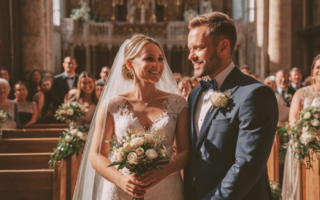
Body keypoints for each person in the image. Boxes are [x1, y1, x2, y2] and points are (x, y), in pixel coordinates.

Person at [73, 35, 190, 200]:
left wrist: (161, 173)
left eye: (160, 59)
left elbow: (184, 152)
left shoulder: (178, 104)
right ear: (129, 63)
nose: (157, 65)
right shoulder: (112, 105)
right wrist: (121, 179)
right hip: (122, 188)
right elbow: (97, 154)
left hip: (165, 186)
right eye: (149, 58)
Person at [185, 12, 278, 200]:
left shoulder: (255, 94)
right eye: (189, 49)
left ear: (223, 46)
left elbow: (247, 165)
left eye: (198, 48)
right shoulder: (195, 95)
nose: (190, 56)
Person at [282, 54, 320, 200]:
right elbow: (292, 122)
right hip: (304, 147)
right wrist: (302, 142)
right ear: (313, 71)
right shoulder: (301, 93)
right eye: (318, 67)